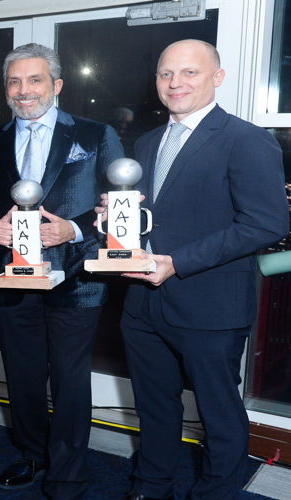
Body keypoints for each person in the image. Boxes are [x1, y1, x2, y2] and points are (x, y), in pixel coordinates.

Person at [110, 39, 288, 500]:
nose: (175, 82)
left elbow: (267, 223)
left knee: (218, 413)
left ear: (217, 77)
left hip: (211, 306)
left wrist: (179, 263)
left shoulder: (247, 139)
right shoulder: (147, 143)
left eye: (189, 72)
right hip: (143, 303)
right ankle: (151, 486)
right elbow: (155, 215)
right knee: (153, 405)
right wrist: (114, 222)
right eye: (166, 73)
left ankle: (215, 494)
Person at [0, 43, 124, 498]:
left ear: (56, 85)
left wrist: (74, 230)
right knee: (21, 375)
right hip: (12, 278)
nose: (24, 90)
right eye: (14, 81)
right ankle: (32, 455)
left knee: (69, 379)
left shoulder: (96, 135)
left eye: (35, 79)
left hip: (78, 279)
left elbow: (116, 208)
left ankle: (66, 473)